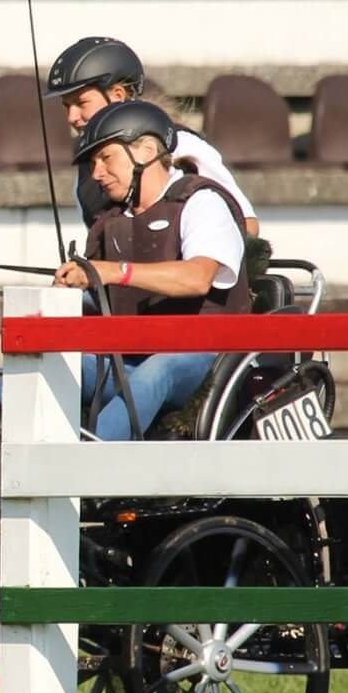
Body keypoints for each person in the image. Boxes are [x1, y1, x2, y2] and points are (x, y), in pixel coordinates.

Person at [53, 100, 251, 442]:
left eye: (106, 158)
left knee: (153, 372)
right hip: (128, 359)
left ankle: (82, 476)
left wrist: (115, 271)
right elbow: (100, 297)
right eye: (93, 162)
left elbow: (197, 277)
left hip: (206, 361)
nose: (96, 173)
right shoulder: (109, 222)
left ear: (145, 150)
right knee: (41, 368)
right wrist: (71, 289)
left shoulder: (200, 202)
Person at [47, 36, 260, 238]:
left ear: (118, 96)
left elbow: (248, 225)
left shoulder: (181, 145)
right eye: (66, 106)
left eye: (81, 103)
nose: (72, 117)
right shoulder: (90, 172)